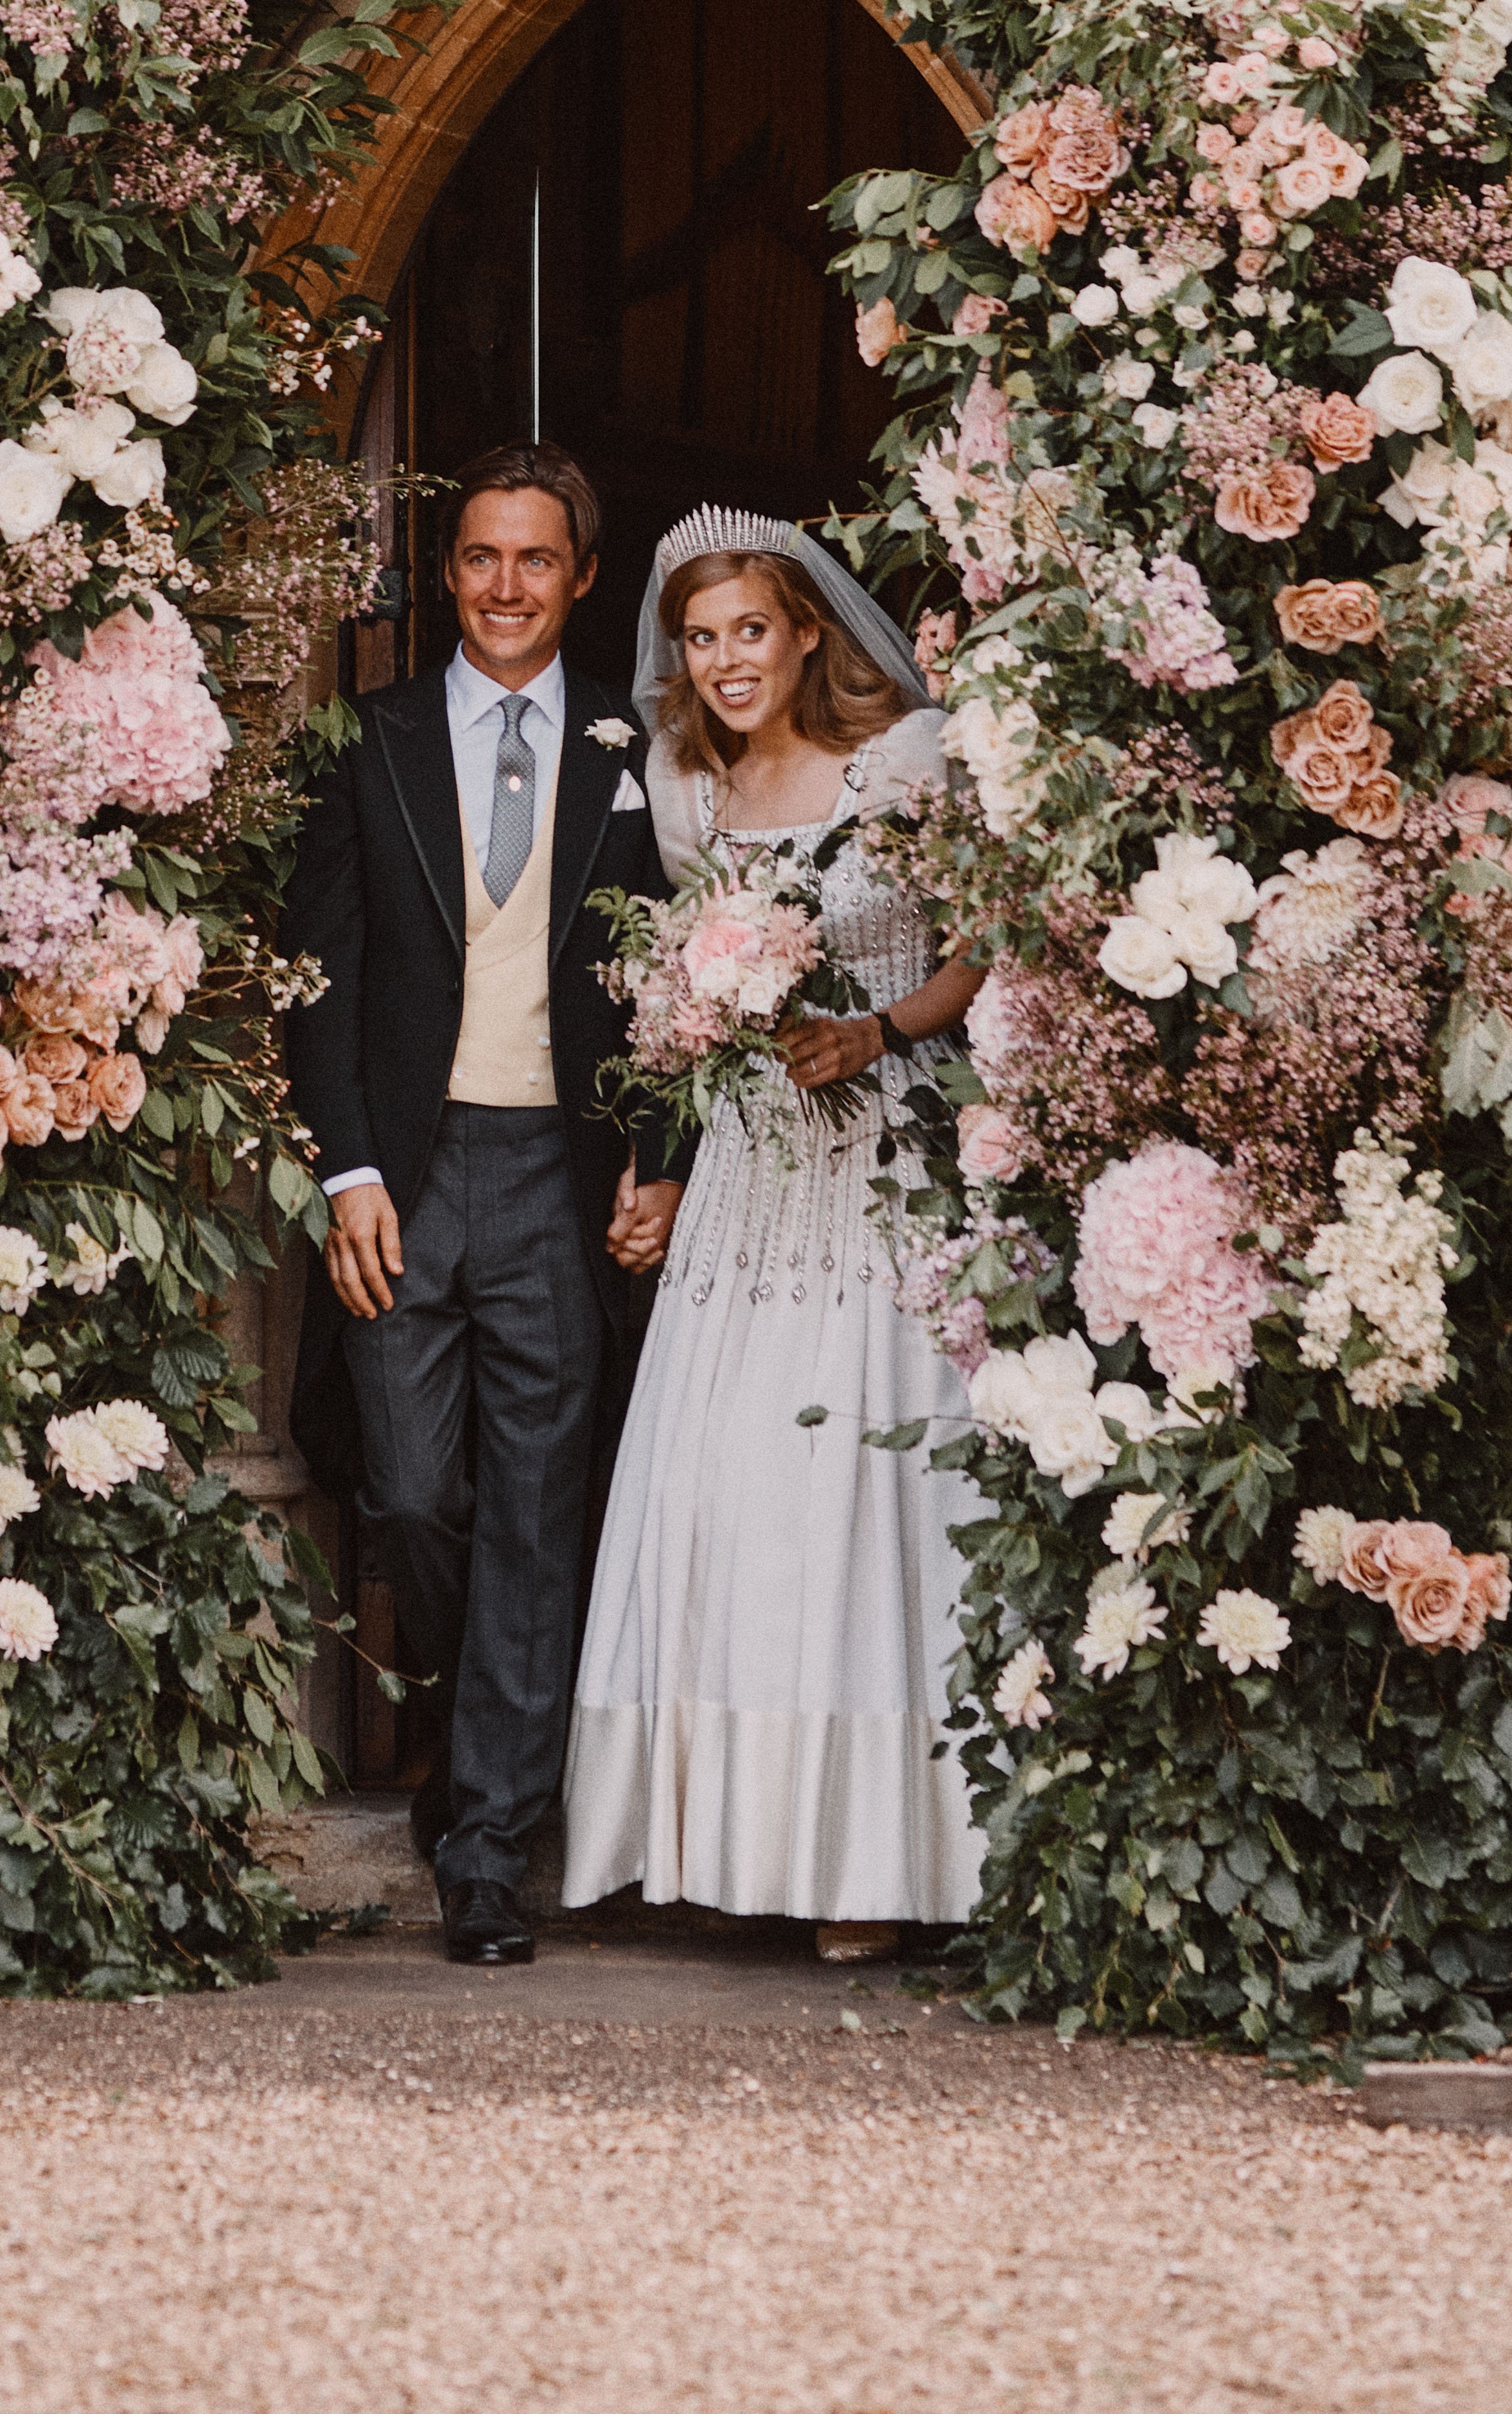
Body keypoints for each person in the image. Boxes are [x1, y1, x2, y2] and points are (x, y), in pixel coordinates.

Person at [561, 506, 986, 1957]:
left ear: (808, 630)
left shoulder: (904, 763)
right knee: (731, 1489)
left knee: (869, 1496)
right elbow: (680, 1015)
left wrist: (874, 1026)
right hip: (749, 1177)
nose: (726, 660)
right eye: (700, 638)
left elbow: (977, 945)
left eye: (751, 629)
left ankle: (878, 1861)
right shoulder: (686, 791)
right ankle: (729, 1838)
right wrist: (662, 1158)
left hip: (885, 1156)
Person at [283, 442, 673, 1966]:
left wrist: (656, 1153)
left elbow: (678, 981)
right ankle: (468, 1737)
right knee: (410, 1496)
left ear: (580, 577)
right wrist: (347, 1168)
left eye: (535, 561)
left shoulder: (633, 752)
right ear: (445, 576)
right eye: (478, 560)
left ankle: (490, 1850)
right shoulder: (366, 742)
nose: (504, 588)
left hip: (557, 1182)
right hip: (407, 1172)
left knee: (533, 1514)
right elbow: (317, 977)